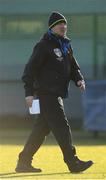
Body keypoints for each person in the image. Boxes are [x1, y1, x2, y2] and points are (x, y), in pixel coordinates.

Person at [15, 12, 93, 173]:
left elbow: (73, 67)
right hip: (46, 94)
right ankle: (73, 162)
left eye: (65, 24)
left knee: (41, 130)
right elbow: (29, 70)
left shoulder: (65, 45)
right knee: (62, 128)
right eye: (59, 24)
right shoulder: (43, 46)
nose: (63, 26)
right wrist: (28, 92)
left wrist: (79, 79)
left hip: (55, 94)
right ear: (52, 27)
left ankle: (23, 162)